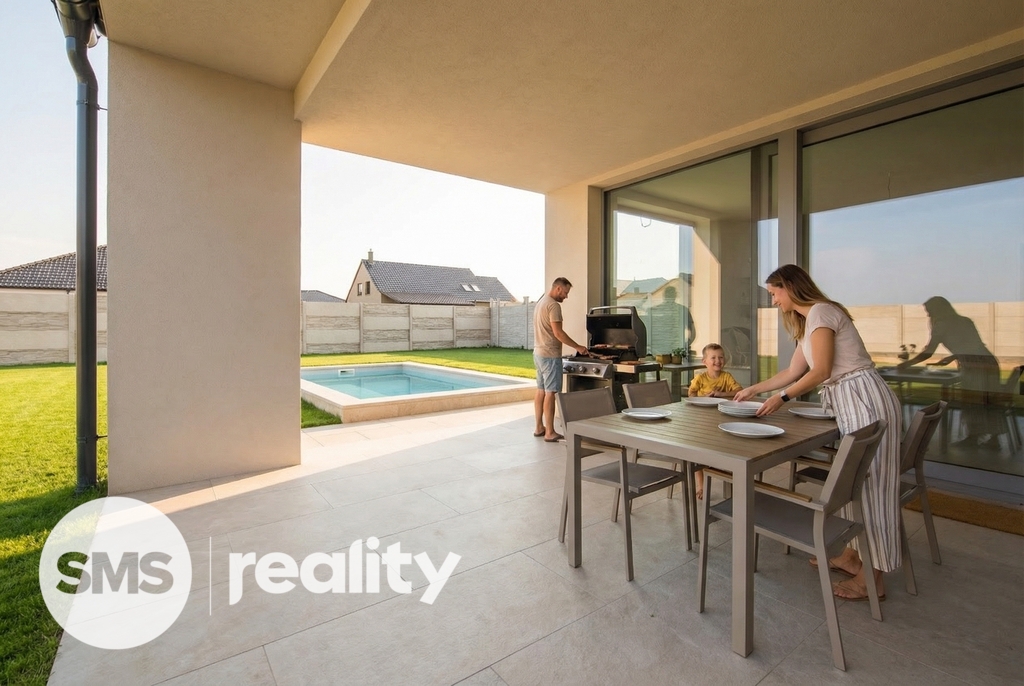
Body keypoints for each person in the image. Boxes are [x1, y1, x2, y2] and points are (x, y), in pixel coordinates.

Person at [734, 264, 902, 602]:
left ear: (790, 287)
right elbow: (793, 370)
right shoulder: (809, 322)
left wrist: (782, 398)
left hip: (864, 400)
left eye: (774, 293)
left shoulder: (823, 312)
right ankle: (853, 557)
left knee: (873, 489)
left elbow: (822, 370)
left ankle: (874, 578)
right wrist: (755, 389)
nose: (773, 301)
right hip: (852, 401)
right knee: (854, 484)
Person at [897, 296, 1002, 448]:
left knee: (973, 400)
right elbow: (974, 345)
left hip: (975, 365)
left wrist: (907, 364)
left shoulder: (941, 325)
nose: (928, 315)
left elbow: (928, 352)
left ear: (939, 310)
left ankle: (973, 438)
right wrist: (954, 356)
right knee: (989, 401)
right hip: (988, 362)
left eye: (930, 311)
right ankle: (994, 439)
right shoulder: (965, 321)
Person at [533, 277, 587, 442]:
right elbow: (558, 333)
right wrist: (578, 347)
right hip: (550, 355)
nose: (566, 296)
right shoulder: (553, 305)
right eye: (565, 292)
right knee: (551, 392)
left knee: (541, 390)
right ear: (557, 288)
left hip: (538, 352)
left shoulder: (541, 302)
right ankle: (550, 432)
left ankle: (539, 427)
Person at [688, 343, 744, 499]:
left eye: (721, 357)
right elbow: (691, 394)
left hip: (721, 419)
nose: (718, 361)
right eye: (713, 358)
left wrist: (721, 394)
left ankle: (728, 477)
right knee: (699, 453)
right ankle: (701, 486)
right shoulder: (700, 378)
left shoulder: (726, 377)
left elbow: (739, 391)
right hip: (702, 421)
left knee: (727, 448)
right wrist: (702, 399)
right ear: (705, 361)